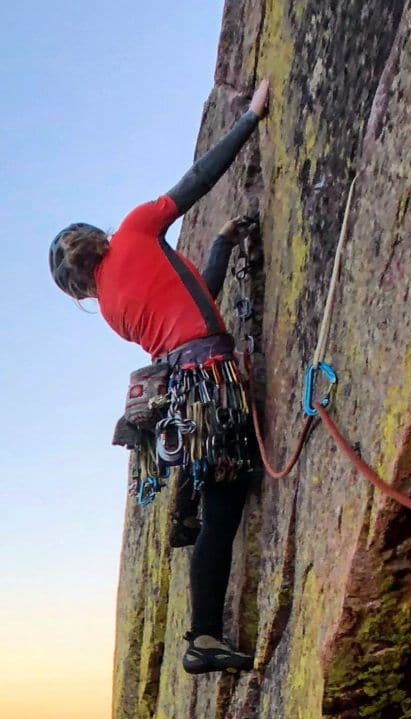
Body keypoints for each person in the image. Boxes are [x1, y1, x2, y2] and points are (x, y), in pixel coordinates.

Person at [50, 79, 270, 675]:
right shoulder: (136, 232)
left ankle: (203, 632)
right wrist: (250, 118)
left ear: (78, 286)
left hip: (185, 391)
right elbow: (196, 182)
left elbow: (197, 298)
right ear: (96, 238)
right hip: (211, 379)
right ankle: (201, 637)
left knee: (220, 503)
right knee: (224, 508)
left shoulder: (116, 311)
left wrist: (222, 246)